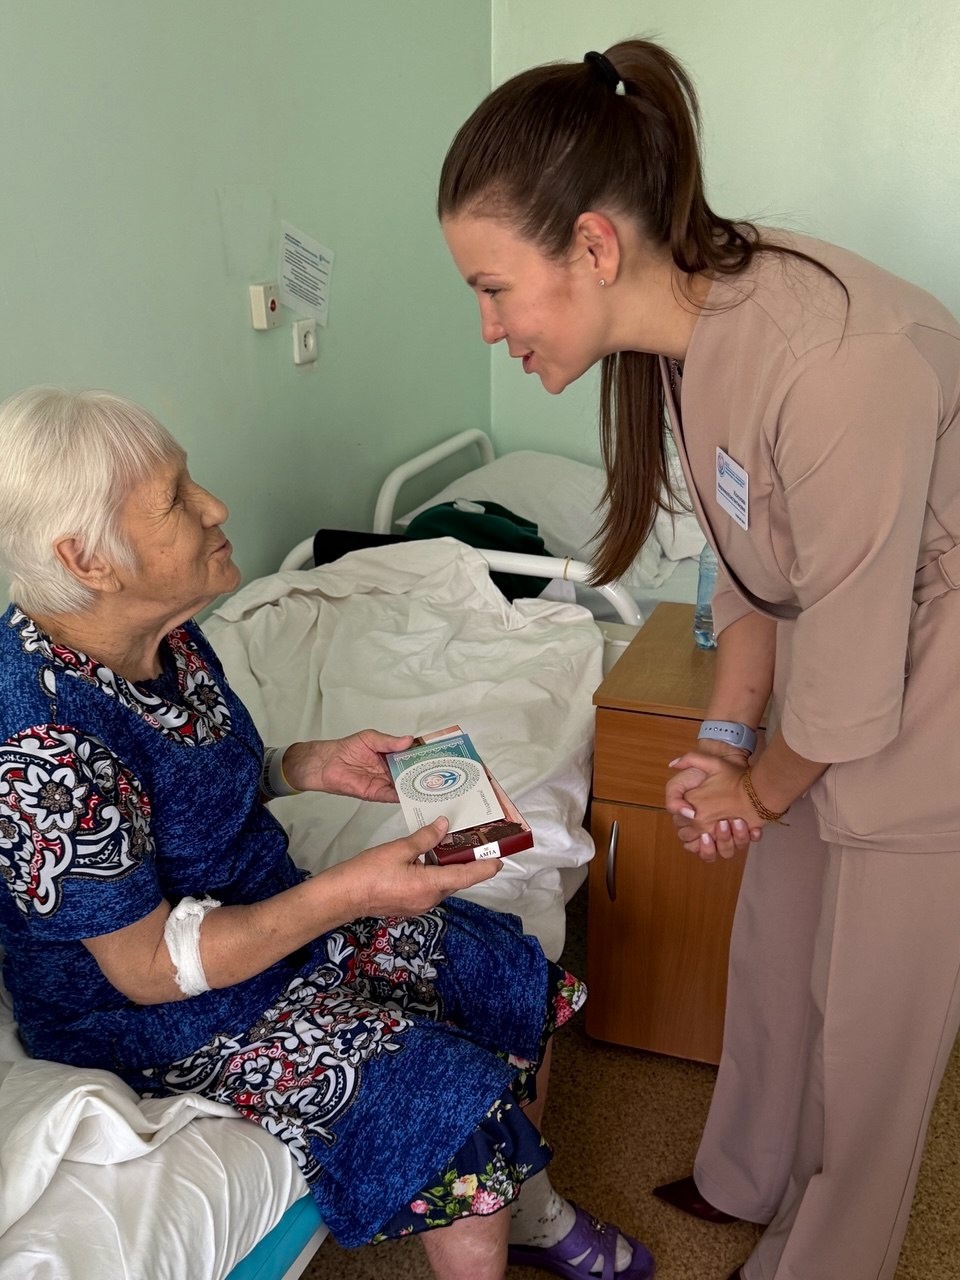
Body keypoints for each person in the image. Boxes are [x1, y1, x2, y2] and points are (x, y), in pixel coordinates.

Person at [437, 36, 960, 1280]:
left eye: (494, 288)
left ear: (593, 247)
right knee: (778, 941)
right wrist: (727, 739)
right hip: (845, 640)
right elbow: (754, 560)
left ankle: (820, 1256)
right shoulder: (697, 340)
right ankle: (746, 1174)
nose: (488, 326)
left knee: (872, 1017)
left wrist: (758, 784)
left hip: (931, 677)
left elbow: (853, 658)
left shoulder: (834, 362)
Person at [0, 386, 654, 1280]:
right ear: (88, 560)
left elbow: (184, 780)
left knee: (504, 970)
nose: (215, 506)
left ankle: (531, 1215)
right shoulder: (40, 743)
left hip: (259, 918)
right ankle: (496, 1194)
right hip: (148, 1014)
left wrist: (305, 764)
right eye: (177, 500)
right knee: (444, 1108)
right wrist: (351, 893)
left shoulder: (163, 639)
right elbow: (148, 968)